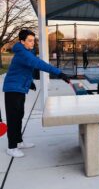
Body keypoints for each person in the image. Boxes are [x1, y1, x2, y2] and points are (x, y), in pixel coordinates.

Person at [3, 29, 70, 158]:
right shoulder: (24, 53)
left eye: (33, 40)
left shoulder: (26, 52)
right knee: (13, 118)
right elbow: (39, 64)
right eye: (29, 40)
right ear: (22, 41)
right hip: (13, 89)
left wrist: (30, 82)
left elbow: (24, 70)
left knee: (19, 115)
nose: (32, 43)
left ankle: (18, 141)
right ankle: (11, 147)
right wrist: (59, 73)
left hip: (19, 87)